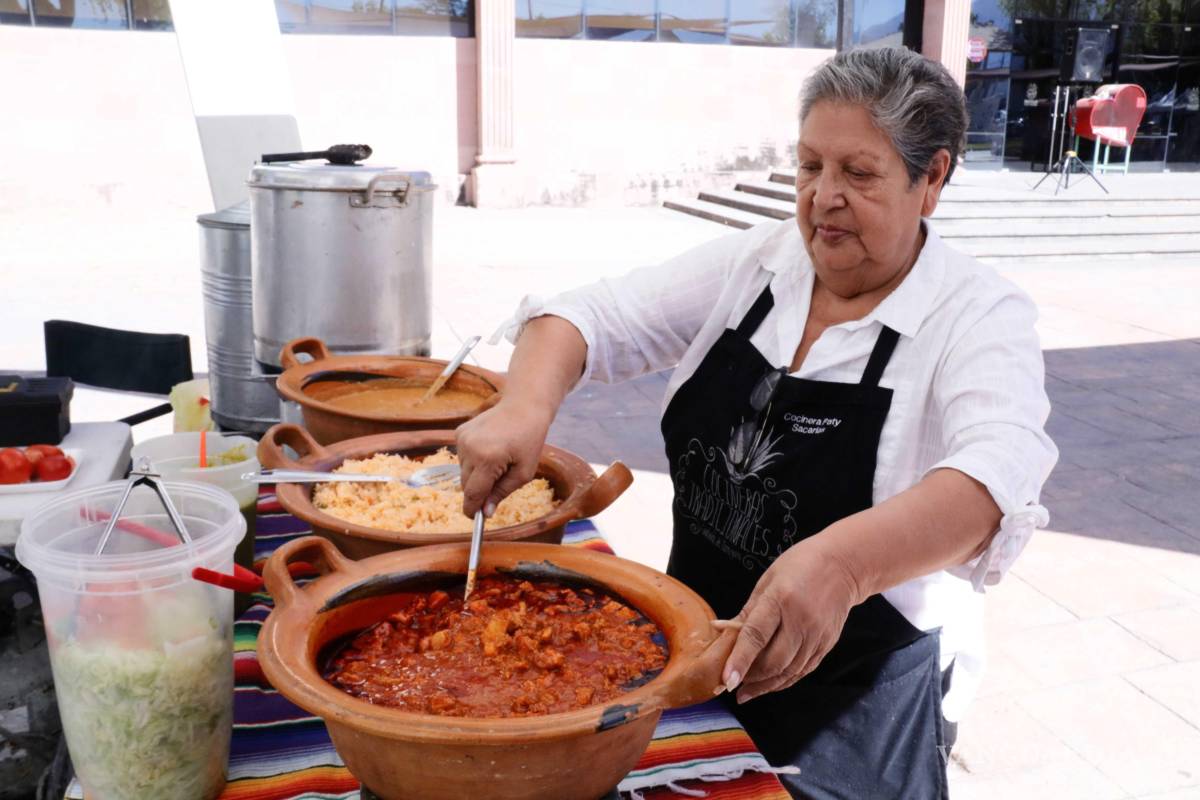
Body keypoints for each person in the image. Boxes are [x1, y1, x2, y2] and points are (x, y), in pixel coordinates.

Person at [456, 47, 1058, 800]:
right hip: (689, 655)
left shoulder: (977, 316)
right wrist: (523, 407)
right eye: (810, 167)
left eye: (858, 174)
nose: (822, 199)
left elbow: (995, 477)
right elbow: (586, 316)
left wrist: (840, 566)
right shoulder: (765, 263)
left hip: (848, 707)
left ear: (931, 177)